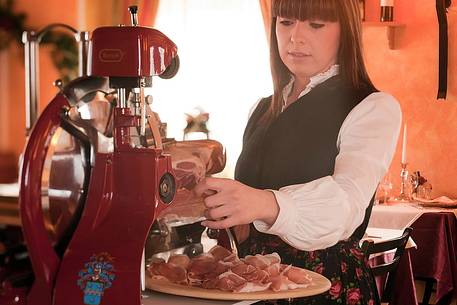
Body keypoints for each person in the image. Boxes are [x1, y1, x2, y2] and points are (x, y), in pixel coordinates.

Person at [194, 0, 401, 304]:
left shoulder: (372, 107)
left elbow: (346, 205)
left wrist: (266, 203)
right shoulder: (261, 108)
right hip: (255, 286)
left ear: (347, 32)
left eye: (315, 25)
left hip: (324, 287)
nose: (296, 37)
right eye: (286, 22)